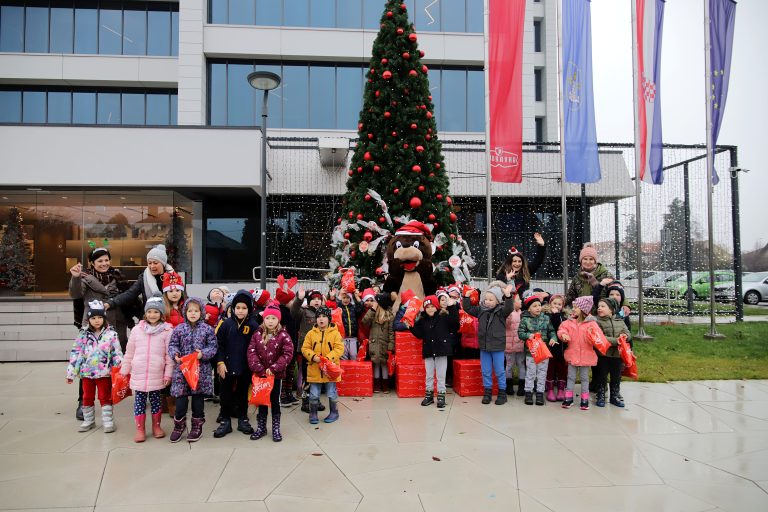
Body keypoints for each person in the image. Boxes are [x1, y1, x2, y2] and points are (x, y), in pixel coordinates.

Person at [68, 246, 130, 420]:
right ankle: (83, 402)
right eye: (100, 261)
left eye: (106, 260)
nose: (104, 263)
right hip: (93, 327)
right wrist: (74, 277)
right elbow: (75, 294)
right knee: (88, 363)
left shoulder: (118, 276)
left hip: (116, 325)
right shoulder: (85, 278)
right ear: (92, 263)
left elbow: (128, 297)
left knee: (114, 362)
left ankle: (109, 398)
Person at [120, 295, 174, 442]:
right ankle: (140, 429)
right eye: (149, 312)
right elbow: (129, 352)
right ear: (145, 313)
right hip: (139, 372)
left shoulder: (167, 331)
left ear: (161, 314)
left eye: (156, 312)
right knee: (139, 403)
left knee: (156, 402)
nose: (152, 315)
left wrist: (168, 375)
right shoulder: (137, 330)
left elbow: (169, 356)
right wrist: (125, 370)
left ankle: (156, 426)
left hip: (157, 373)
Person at [66, 300, 123, 433]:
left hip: (104, 372)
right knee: (87, 397)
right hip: (87, 373)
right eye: (93, 318)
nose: (97, 320)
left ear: (104, 318)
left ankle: (108, 421)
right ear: (89, 319)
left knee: (105, 396)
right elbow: (76, 353)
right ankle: (89, 420)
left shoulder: (111, 334)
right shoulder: (83, 334)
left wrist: (120, 367)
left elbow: (116, 353)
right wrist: (71, 372)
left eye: (99, 317)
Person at [167, 297, 218, 443]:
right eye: (190, 310)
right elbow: (173, 345)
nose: (193, 313)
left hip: (200, 371)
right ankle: (179, 426)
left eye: (196, 310)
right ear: (185, 312)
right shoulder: (179, 329)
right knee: (181, 401)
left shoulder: (208, 329)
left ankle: (197, 426)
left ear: (201, 312)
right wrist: (175, 354)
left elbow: (213, 347)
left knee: (198, 400)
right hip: (182, 371)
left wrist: (203, 354)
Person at [213, 290, 258, 438]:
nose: (240, 310)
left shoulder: (253, 326)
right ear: (233, 308)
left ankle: (242, 419)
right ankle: (225, 420)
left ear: (249, 309)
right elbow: (219, 344)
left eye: (244, 308)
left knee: (242, 394)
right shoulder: (226, 324)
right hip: (226, 366)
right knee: (225, 394)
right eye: (238, 307)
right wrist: (220, 362)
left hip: (245, 367)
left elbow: (257, 346)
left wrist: (254, 365)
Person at [462, 281, 515, 405]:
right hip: (484, 347)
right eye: (486, 299)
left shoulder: (502, 311)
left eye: (491, 300)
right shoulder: (481, 310)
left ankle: (502, 393)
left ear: (497, 300)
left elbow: (509, 307)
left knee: (499, 370)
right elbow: (468, 308)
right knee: (486, 370)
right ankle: (487, 392)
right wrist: (466, 297)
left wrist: (508, 296)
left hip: (497, 347)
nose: (487, 302)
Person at [247, 304, 294, 442]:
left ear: (278, 320)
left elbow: (287, 353)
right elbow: (251, 352)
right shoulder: (257, 335)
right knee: (262, 401)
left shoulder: (283, 335)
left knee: (275, 401)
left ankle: (275, 428)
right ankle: (261, 427)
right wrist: (259, 368)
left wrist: (274, 368)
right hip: (261, 376)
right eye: (268, 318)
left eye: (274, 318)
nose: (271, 321)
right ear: (264, 319)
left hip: (276, 376)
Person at [407, 294, 459, 408]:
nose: (430, 309)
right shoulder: (423, 319)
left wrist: (452, 307)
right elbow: (419, 334)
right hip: (429, 351)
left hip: (442, 350)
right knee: (429, 375)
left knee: (441, 375)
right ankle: (429, 395)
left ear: (437, 306)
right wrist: (410, 325)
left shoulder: (444, 317)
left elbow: (455, 324)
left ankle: (441, 395)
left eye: (432, 306)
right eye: (427, 307)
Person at [301, 306, 344, 424]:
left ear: (329, 319)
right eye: (319, 317)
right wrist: (313, 356)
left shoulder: (335, 333)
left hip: (330, 369)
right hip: (315, 368)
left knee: (331, 392)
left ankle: (334, 412)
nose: (321, 319)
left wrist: (328, 358)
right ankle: (313, 413)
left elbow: (339, 348)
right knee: (314, 393)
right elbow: (305, 348)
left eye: (324, 316)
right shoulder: (311, 333)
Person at [106, 244, 174, 314]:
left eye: (155, 263)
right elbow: (130, 294)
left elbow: (181, 297)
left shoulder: (174, 277)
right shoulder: (144, 278)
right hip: (149, 318)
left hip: (171, 316)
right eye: (149, 263)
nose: (152, 266)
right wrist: (111, 302)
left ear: (163, 264)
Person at [557, 295, 597, 410]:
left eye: (576, 307)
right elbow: (561, 329)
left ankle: (585, 399)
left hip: (586, 356)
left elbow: (597, 336)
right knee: (570, 377)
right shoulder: (569, 322)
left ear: (583, 310)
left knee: (584, 378)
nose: (573, 309)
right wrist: (563, 335)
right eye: (573, 307)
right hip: (572, 354)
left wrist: (593, 336)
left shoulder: (592, 324)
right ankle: (568, 398)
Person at [291, 288, 328, 413]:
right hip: (307, 351)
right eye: (314, 299)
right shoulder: (304, 312)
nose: (316, 301)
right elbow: (293, 311)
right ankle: (305, 402)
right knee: (308, 377)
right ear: (309, 301)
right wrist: (299, 299)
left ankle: (315, 400)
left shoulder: (323, 313)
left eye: (319, 299)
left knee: (318, 377)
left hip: (320, 351)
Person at [517, 294, 558, 406]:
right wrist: (528, 335)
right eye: (534, 306)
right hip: (531, 352)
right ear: (529, 308)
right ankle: (528, 392)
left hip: (544, 351)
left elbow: (551, 331)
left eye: (539, 305)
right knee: (530, 373)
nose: (538, 308)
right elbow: (520, 333)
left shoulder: (546, 318)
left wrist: (553, 338)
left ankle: (540, 393)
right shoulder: (525, 319)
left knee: (542, 372)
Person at [594, 297, 631, 408]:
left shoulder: (619, 321)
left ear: (611, 309)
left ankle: (614, 396)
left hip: (617, 355)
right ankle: (600, 395)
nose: (599, 308)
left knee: (616, 376)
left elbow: (628, 334)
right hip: (603, 354)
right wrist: (617, 341)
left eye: (603, 306)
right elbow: (600, 337)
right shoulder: (597, 322)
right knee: (602, 376)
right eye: (599, 306)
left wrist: (625, 336)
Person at [361, 289, 395, 393]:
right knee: (375, 363)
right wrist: (372, 310)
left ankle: (385, 385)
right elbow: (364, 321)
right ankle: (376, 385)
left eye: (376, 302)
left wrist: (390, 346)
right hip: (374, 343)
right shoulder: (373, 313)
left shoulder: (389, 315)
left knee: (384, 364)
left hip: (384, 344)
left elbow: (391, 333)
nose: (374, 303)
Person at [545, 294, 568, 402]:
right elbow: (553, 327)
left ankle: (561, 389)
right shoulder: (547, 316)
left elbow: (562, 327)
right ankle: (550, 389)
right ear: (550, 304)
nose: (557, 306)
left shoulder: (564, 317)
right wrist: (555, 315)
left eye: (559, 304)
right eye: (554, 303)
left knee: (562, 368)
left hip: (562, 348)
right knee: (550, 368)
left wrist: (558, 315)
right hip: (551, 347)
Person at [504, 294, 525, 397]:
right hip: (510, 346)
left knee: (521, 364)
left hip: (520, 345)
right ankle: (509, 385)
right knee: (509, 365)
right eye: (518, 299)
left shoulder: (523, 314)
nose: (521, 301)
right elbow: (507, 324)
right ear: (512, 302)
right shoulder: (509, 314)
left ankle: (522, 386)